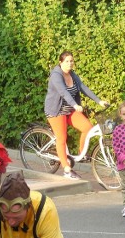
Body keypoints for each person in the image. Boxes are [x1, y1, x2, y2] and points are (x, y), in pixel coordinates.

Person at [43, 51, 110, 179]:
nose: (70, 64)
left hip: (69, 110)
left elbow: (83, 88)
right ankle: (67, 170)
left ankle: (81, 154)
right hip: (56, 111)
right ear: (60, 62)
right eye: (67, 61)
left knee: (87, 128)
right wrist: (75, 105)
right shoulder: (56, 76)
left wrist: (99, 101)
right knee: (62, 138)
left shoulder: (72, 74)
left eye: (72, 61)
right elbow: (63, 92)